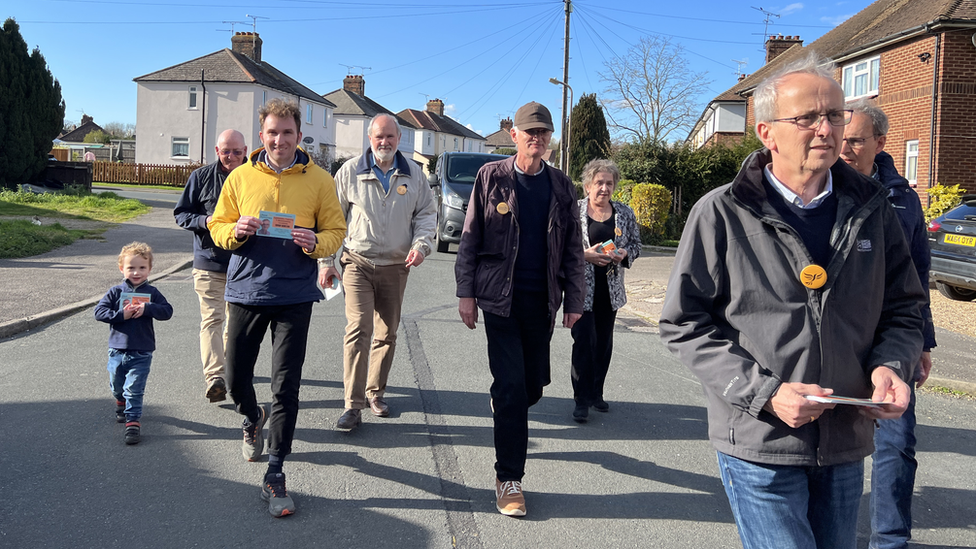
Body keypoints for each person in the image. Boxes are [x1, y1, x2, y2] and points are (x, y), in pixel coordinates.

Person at [659, 54, 926, 549]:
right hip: (761, 440)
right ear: (766, 132)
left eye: (835, 116)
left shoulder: (873, 209)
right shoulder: (720, 213)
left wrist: (893, 364)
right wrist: (762, 393)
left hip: (846, 439)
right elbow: (684, 323)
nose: (827, 130)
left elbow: (905, 308)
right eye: (807, 118)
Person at [208, 98, 346, 518]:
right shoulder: (241, 177)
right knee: (234, 380)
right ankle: (252, 417)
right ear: (262, 135)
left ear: (299, 136)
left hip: (294, 296)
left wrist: (315, 243)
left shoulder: (320, 180)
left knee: (286, 385)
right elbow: (216, 225)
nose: (280, 140)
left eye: (287, 133)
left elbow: (336, 230)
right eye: (272, 132)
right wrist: (237, 231)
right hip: (247, 291)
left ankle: (276, 469)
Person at [455, 101, 585, 517]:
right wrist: (466, 293)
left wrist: (575, 300)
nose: (537, 138)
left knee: (532, 387)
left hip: (542, 302)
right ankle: (509, 478)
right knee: (512, 389)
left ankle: (506, 402)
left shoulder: (562, 187)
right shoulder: (490, 178)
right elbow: (470, 237)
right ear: (514, 134)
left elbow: (572, 251)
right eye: (530, 132)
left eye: (544, 133)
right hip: (499, 299)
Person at [840, 99, 936, 549]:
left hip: (893, 338)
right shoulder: (822, 190)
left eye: (855, 140)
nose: (843, 147)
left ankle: (890, 540)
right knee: (827, 441)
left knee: (896, 441)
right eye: (841, 138)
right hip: (837, 338)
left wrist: (924, 341)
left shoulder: (903, 199)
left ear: (879, 143)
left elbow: (918, 273)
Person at [321, 113, 437, 431]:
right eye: (378, 137)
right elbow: (333, 220)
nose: (384, 142)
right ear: (369, 139)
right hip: (357, 263)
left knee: (386, 334)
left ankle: (375, 392)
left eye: (390, 137)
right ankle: (352, 406)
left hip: (397, 267)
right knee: (358, 329)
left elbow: (427, 214)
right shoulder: (349, 172)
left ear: (399, 139)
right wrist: (326, 262)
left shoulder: (414, 175)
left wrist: (422, 245)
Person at [174, 129, 247, 403]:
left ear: (245, 150)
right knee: (212, 320)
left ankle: (227, 367)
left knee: (235, 324)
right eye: (226, 151)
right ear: (217, 151)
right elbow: (182, 214)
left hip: (243, 264)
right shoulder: (201, 177)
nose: (231, 157)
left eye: (237, 152)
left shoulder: (253, 177)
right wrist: (205, 222)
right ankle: (215, 376)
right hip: (208, 262)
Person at [570, 159, 641, 423]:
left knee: (603, 344)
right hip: (581, 290)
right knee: (583, 342)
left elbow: (636, 244)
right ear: (588, 185)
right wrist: (583, 255)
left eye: (609, 183)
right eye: (599, 182)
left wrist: (624, 254)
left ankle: (596, 392)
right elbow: (560, 248)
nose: (604, 188)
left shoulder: (624, 212)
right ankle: (581, 399)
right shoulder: (573, 210)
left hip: (610, 292)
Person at [94, 242, 174, 446]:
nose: (136, 272)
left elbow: (167, 311)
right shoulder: (115, 292)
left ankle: (133, 422)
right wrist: (122, 314)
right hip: (117, 350)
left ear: (149, 269)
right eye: (131, 267)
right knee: (117, 385)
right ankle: (120, 401)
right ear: (122, 269)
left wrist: (148, 309)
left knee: (134, 389)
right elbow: (99, 313)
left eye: (142, 268)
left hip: (142, 350)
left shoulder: (153, 293)